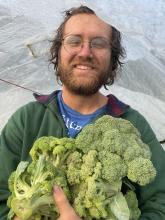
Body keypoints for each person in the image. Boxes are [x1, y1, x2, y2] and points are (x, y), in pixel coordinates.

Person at [0, 5, 165, 220]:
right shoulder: (27, 120)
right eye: (74, 41)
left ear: (112, 58)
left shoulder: (133, 124)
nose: (85, 52)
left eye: (98, 43)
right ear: (57, 52)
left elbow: (160, 204)